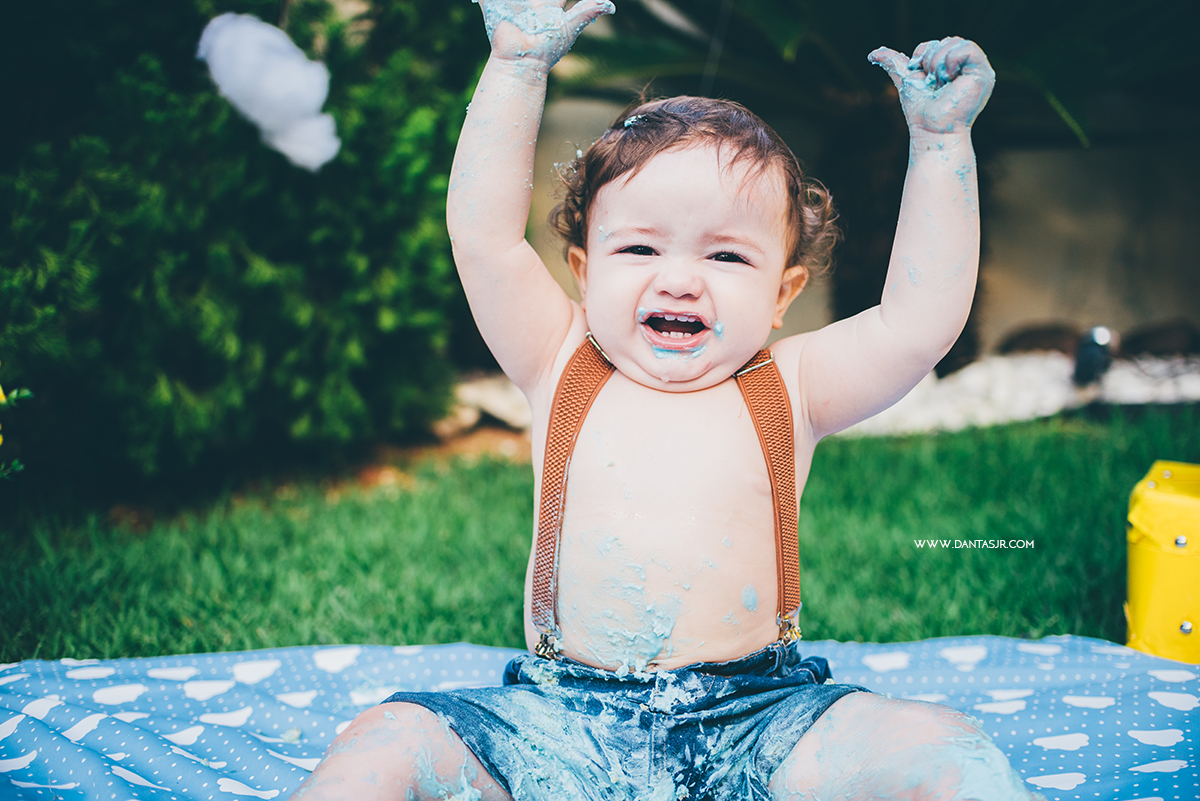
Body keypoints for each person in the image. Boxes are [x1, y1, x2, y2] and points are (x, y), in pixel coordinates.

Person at [293, 1, 1040, 798]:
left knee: (942, 747)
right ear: (583, 268)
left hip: (760, 720)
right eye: (641, 246)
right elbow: (483, 239)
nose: (679, 276)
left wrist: (938, 143)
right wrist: (516, 67)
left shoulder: (792, 386)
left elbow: (918, 323)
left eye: (725, 253)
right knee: (388, 738)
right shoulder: (557, 358)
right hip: (561, 725)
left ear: (783, 291)